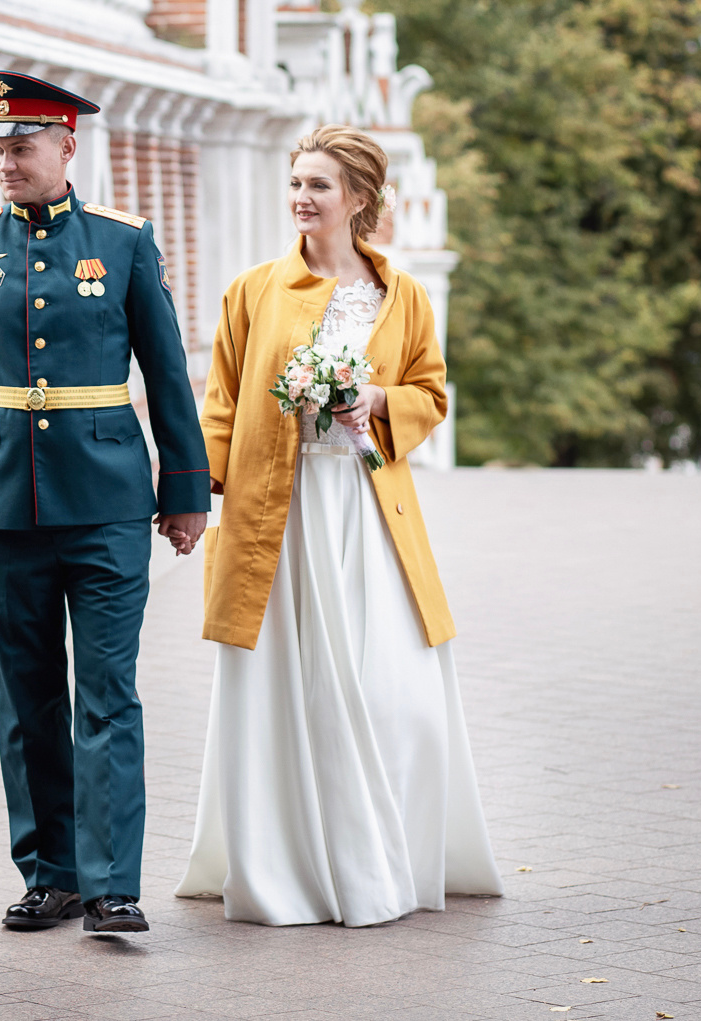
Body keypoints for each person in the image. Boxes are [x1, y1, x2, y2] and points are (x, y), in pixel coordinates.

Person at [175, 125, 501, 927]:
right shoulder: (252, 290)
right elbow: (220, 403)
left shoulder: (404, 296)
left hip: (366, 511)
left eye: (319, 184)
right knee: (290, 690)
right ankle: (289, 867)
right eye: (296, 182)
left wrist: (380, 400)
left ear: (359, 199)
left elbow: (431, 388)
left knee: (399, 691)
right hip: (273, 520)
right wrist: (190, 494)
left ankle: (381, 854)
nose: (302, 197)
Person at [0, 70, 211, 935]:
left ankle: (115, 882)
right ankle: (54, 873)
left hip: (111, 501)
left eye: (23, 145)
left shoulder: (121, 241)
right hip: (5, 502)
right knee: (27, 694)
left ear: (67, 145)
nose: (7, 159)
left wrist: (184, 490)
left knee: (106, 690)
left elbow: (166, 369)